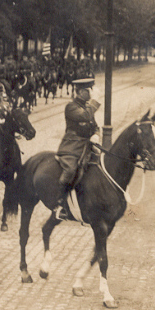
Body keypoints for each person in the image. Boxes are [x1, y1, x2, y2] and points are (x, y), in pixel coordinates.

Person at [54, 78, 102, 221]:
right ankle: (60, 205)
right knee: (70, 170)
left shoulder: (87, 106)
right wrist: (96, 101)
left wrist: (96, 135)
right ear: (81, 92)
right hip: (72, 145)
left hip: (87, 145)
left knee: (101, 166)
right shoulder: (71, 107)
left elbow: (95, 126)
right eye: (89, 91)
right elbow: (85, 115)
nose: (92, 94)